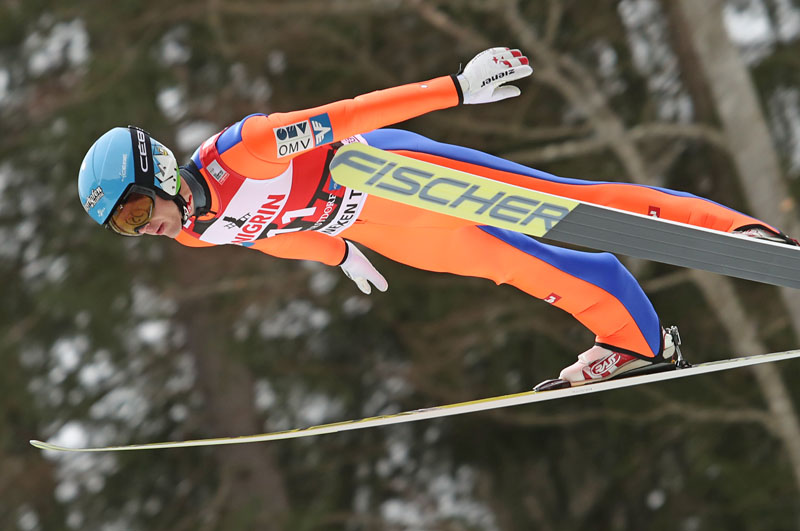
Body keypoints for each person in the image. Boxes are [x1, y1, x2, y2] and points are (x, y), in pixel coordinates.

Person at [77, 47, 796, 389]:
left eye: (136, 209)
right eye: (124, 228)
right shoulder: (197, 232)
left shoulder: (247, 149)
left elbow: (347, 115)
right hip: (381, 230)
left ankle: (743, 235)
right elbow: (272, 238)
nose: (143, 228)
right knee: (518, 265)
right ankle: (637, 340)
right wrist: (339, 256)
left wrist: (455, 88)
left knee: (567, 203)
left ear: (159, 171)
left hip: (387, 173)